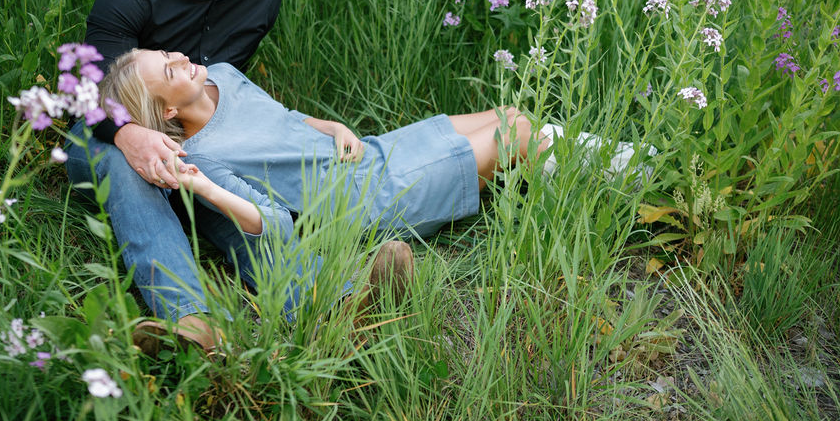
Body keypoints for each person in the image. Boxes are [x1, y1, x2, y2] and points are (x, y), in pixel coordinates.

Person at [100, 50, 647, 254]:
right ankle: (631, 177)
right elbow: (274, 226)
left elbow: (286, 121)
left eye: (169, 52)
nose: (180, 57)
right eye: (169, 70)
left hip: (371, 155)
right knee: (521, 135)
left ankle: (590, 178)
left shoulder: (221, 74)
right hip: (366, 199)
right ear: (167, 113)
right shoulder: (208, 154)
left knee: (513, 118)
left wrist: (332, 123)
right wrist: (201, 185)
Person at [63, 0, 288, 352]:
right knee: (135, 166)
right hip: (105, 129)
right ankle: (191, 322)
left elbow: (226, 84)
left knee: (219, 188)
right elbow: (91, 88)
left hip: (194, 131)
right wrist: (129, 135)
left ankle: (334, 301)